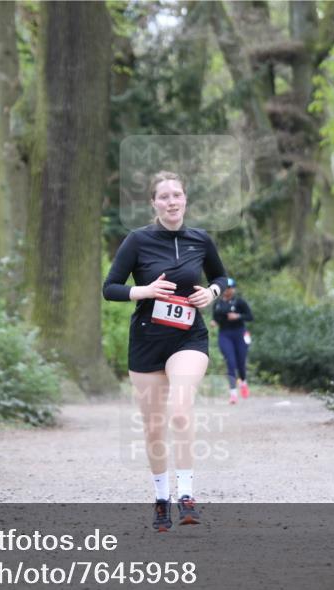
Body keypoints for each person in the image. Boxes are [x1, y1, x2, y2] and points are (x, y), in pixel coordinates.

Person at [103, 171, 228, 532]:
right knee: (153, 426)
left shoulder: (200, 240)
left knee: (180, 410)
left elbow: (221, 278)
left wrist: (213, 293)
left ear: (185, 199)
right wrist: (142, 291)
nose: (172, 201)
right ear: (154, 203)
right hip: (146, 341)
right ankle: (161, 499)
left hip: (188, 338)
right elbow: (109, 287)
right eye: (164, 196)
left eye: (177, 195)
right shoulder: (138, 240)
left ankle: (187, 494)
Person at [210, 278, 253, 404]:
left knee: (241, 363)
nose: (227, 290)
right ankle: (233, 394)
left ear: (233, 289)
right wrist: (214, 322)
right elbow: (216, 319)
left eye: (229, 288)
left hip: (240, 334)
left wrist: (238, 316)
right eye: (225, 288)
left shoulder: (240, 302)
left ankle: (243, 382)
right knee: (231, 362)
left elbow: (250, 316)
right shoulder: (217, 304)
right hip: (225, 335)